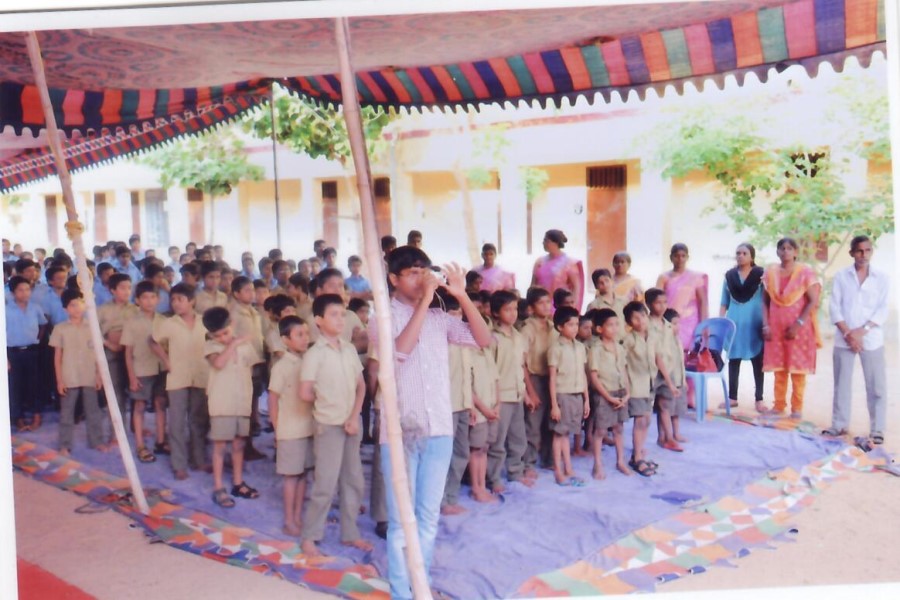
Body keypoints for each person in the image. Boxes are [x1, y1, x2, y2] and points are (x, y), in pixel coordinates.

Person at [369, 246, 491, 599]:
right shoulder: (382, 316)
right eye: (411, 273)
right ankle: (401, 592)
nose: (421, 278)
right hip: (400, 431)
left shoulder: (440, 318)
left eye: (424, 270)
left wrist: (461, 295)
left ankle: (418, 586)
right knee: (399, 522)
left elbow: (484, 339)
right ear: (393, 279)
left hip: (438, 426)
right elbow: (399, 355)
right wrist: (424, 301)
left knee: (427, 517)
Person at [299, 294, 371, 556]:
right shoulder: (314, 354)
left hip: (352, 424)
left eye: (342, 314)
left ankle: (350, 533)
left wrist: (353, 416)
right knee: (325, 483)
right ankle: (310, 535)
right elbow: (305, 392)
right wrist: (328, 403)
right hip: (328, 425)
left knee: (354, 480)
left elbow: (361, 387)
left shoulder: (350, 349)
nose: (340, 319)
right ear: (318, 320)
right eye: (333, 314)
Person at [825, 235, 889, 443]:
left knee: (876, 386)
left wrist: (861, 332)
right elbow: (834, 307)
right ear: (851, 253)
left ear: (871, 252)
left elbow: (882, 309)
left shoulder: (881, 277)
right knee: (841, 383)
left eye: (867, 250)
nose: (863, 255)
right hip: (844, 338)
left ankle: (877, 429)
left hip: (871, 339)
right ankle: (839, 424)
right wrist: (848, 333)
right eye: (859, 251)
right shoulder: (842, 277)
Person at [150, 283, 210, 479]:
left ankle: (199, 460)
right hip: (177, 376)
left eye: (180, 299)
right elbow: (152, 341)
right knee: (176, 422)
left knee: (198, 420)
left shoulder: (204, 321)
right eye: (173, 300)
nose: (176, 303)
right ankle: (179, 464)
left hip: (201, 375)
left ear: (191, 301)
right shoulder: (169, 323)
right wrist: (165, 360)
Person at [202, 307, 260, 508]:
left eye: (226, 333)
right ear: (210, 335)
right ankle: (218, 486)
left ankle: (237, 482)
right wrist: (233, 343)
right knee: (220, 447)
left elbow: (250, 369)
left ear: (232, 326)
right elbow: (218, 364)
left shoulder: (246, 346)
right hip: (221, 403)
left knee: (238, 444)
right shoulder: (211, 346)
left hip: (241, 402)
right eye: (218, 336)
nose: (224, 338)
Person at [762, 238, 821, 419]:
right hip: (776, 328)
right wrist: (765, 324)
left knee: (797, 370)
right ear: (778, 252)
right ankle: (778, 405)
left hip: (799, 330)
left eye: (789, 248)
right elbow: (764, 301)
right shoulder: (770, 273)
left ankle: (797, 408)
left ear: (795, 252)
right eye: (782, 248)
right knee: (779, 369)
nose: (785, 251)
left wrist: (798, 324)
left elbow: (813, 301)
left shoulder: (805, 273)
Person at [267, 314, 313, 536]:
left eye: (306, 334)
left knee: (304, 474)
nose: (305, 338)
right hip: (290, 430)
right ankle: (288, 519)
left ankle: (298, 516)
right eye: (299, 335)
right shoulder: (281, 366)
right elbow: (273, 399)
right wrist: (277, 430)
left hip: (308, 428)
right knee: (291, 476)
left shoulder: (309, 362)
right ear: (285, 340)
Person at [49, 289, 106, 455]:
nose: (77, 308)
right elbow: (57, 357)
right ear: (65, 309)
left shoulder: (93, 327)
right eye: (72, 305)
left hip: (89, 374)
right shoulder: (60, 329)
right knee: (67, 412)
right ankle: (65, 444)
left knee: (93, 410)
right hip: (69, 376)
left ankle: (97, 441)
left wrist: (98, 375)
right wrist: (59, 380)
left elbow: (98, 354)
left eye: (80, 303)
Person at [486, 290, 532, 493]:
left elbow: (522, 367)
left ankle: (515, 471)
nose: (513, 314)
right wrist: (493, 399)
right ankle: (494, 478)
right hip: (501, 396)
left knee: (518, 437)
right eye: (507, 309)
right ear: (496, 313)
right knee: (497, 440)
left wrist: (527, 393)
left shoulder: (519, 337)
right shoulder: (492, 338)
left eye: (515, 309)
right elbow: (490, 371)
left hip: (517, 394)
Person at [622, 300, 670, 477]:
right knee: (640, 420)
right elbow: (623, 365)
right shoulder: (628, 341)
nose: (640, 320)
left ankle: (640, 452)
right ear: (629, 322)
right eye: (635, 318)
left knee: (647, 420)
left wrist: (669, 383)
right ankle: (636, 458)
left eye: (642, 316)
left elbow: (659, 359)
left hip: (651, 384)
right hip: (636, 386)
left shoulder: (652, 337)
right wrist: (626, 388)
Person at [121, 281, 165, 463]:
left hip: (161, 368)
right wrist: (131, 376)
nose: (149, 301)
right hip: (141, 370)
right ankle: (140, 444)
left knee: (160, 405)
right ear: (137, 300)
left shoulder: (164, 320)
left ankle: (161, 441)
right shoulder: (131, 322)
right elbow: (128, 352)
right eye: (145, 298)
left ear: (158, 299)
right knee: (139, 406)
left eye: (153, 297)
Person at [719, 243, 766, 412]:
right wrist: (720, 323)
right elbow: (724, 302)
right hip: (735, 323)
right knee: (734, 359)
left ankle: (759, 399)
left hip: (754, 323)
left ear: (752, 256)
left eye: (744, 253)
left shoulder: (761, 275)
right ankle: (732, 398)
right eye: (737, 253)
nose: (740, 256)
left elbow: (767, 300)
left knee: (758, 361)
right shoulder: (730, 276)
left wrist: (767, 323)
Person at [547, 305, 589, 486]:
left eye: (576, 324)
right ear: (559, 327)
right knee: (559, 434)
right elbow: (552, 378)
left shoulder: (580, 347)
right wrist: (555, 404)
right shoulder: (555, 348)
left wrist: (586, 399)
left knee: (568, 433)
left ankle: (569, 466)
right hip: (562, 395)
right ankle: (558, 468)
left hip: (577, 394)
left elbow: (583, 373)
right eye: (570, 325)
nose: (575, 328)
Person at [587, 308, 631, 479]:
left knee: (619, 428)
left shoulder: (619, 348)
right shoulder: (595, 349)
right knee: (600, 431)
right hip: (604, 394)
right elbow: (594, 376)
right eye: (610, 325)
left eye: (616, 324)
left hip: (619, 392)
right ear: (599, 329)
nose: (614, 328)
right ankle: (597, 464)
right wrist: (607, 397)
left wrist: (627, 393)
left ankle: (620, 461)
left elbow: (624, 371)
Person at [440, 296, 474, 516]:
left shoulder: (464, 344)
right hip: (446, 406)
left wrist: (469, 405)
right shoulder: (439, 343)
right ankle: (441, 500)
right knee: (442, 455)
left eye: (460, 314)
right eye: (453, 315)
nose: (457, 319)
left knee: (461, 452)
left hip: (462, 404)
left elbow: (467, 377)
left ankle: (451, 496)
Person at [97, 273, 138, 439]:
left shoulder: (136, 309)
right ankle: (116, 434)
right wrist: (109, 344)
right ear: (112, 290)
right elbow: (94, 334)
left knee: (136, 392)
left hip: (133, 354)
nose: (127, 291)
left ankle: (136, 427)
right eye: (122, 288)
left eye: (129, 287)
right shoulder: (102, 310)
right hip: (111, 353)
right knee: (116, 393)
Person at [646, 288, 686, 451]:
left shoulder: (668, 326)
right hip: (652, 371)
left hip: (667, 371)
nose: (662, 306)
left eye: (664, 302)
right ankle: (664, 439)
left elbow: (672, 353)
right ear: (649, 304)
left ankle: (664, 438)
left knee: (664, 405)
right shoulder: (646, 325)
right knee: (649, 409)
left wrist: (676, 378)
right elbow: (656, 354)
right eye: (657, 303)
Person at [520, 286, 555, 473]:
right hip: (534, 378)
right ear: (531, 308)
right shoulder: (528, 329)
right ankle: (529, 463)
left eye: (548, 302)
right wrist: (531, 391)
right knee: (532, 424)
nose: (546, 306)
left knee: (550, 421)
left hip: (551, 379)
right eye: (541, 303)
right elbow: (522, 363)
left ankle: (548, 458)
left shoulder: (552, 326)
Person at [6, 275, 48, 431]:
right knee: (15, 386)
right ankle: (18, 417)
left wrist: (37, 338)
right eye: (20, 290)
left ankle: (36, 415)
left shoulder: (35, 307)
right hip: (12, 352)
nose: (25, 293)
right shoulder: (5, 310)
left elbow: (43, 324)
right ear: (13, 293)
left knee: (35, 384)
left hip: (32, 350)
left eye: (27, 290)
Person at [657, 243, 708, 351]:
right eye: (676, 256)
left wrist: (704, 324)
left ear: (687, 257)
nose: (680, 259)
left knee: (687, 352)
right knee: (669, 352)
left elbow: (703, 301)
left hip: (691, 321)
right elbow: (656, 300)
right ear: (671, 257)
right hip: (669, 320)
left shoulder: (695, 277)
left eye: (683, 255)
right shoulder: (663, 278)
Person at [531, 229, 583, 309]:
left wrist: (572, 307)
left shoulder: (569, 263)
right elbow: (533, 284)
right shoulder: (539, 262)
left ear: (556, 243)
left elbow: (576, 288)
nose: (543, 243)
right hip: (540, 305)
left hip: (559, 306)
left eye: (546, 241)